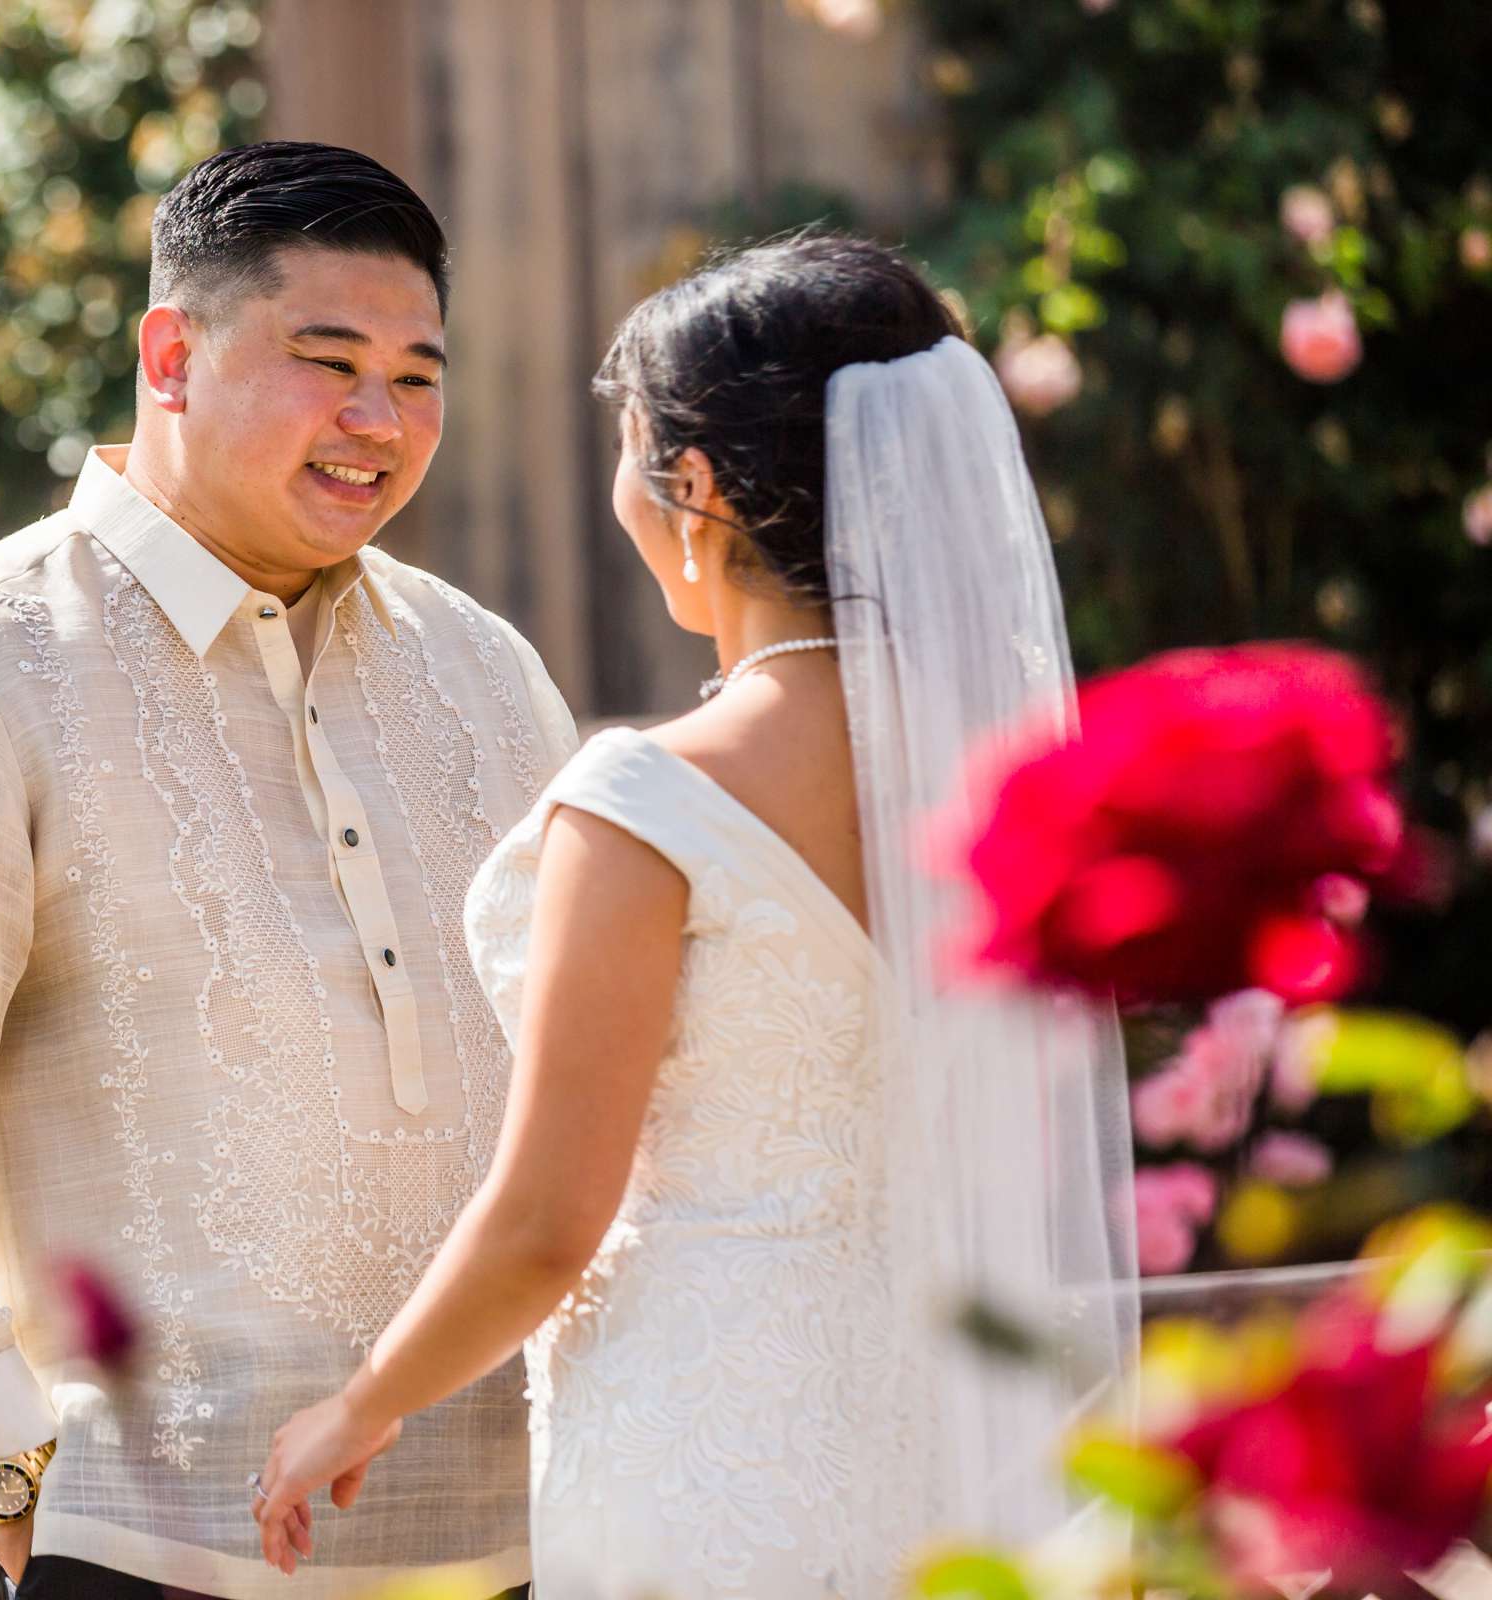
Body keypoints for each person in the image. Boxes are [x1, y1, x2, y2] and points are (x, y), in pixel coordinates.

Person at [0, 140, 573, 1600]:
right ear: (172, 353)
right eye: (328, 361)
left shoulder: (486, 673)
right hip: (141, 1546)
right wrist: (16, 1478)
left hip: (514, 1537)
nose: (376, 420)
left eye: (418, 376)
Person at [253, 232, 1140, 1597]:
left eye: (626, 450)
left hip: (711, 1454)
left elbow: (551, 1215)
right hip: (953, 1439)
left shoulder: (647, 802)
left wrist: (358, 1405)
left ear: (695, 485)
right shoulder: (1013, 789)